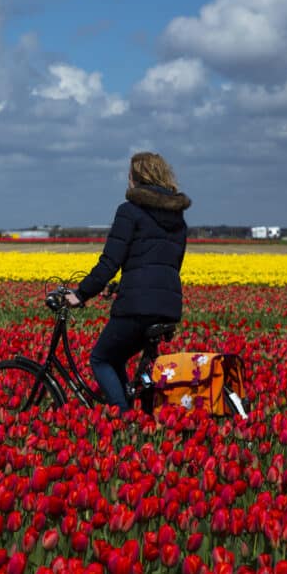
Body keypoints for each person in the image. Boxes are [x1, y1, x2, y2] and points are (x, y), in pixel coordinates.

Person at [65, 152, 191, 415]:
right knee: (117, 357)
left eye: (129, 173)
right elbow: (165, 265)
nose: (127, 178)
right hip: (167, 306)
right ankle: (133, 410)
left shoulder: (129, 211)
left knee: (100, 358)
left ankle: (123, 418)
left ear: (137, 177)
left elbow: (110, 262)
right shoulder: (178, 219)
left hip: (138, 307)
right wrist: (122, 286)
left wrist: (81, 294)